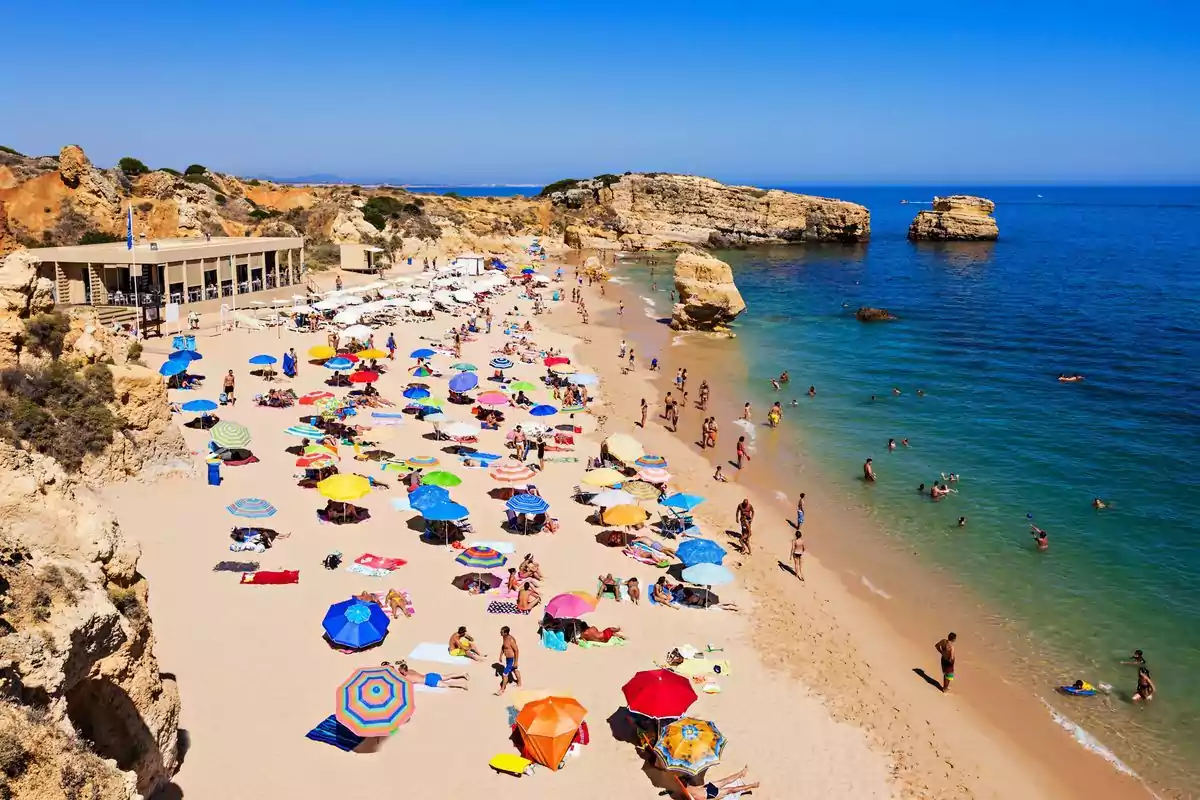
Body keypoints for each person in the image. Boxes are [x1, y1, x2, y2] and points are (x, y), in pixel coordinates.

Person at [681, 767, 760, 800]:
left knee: (725, 780)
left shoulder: (687, 787)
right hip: (710, 794)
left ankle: (741, 773)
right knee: (730, 790)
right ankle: (752, 786)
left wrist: (704, 787)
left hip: (706, 787)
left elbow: (699, 787)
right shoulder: (687, 794)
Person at [394, 660, 468, 691]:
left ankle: (462, 685)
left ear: (403, 672)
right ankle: (462, 673)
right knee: (448, 676)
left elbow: (403, 683)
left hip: (429, 681)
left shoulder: (406, 677)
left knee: (447, 684)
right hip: (430, 675)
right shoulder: (411, 670)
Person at [496, 626, 521, 695]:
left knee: (505, 674)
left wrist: (515, 662)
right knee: (514, 670)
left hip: (512, 659)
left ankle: (502, 689)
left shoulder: (511, 640)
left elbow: (516, 651)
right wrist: (501, 655)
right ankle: (519, 683)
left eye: (502, 632)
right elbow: (503, 646)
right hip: (508, 659)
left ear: (506, 633)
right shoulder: (504, 638)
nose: (500, 633)